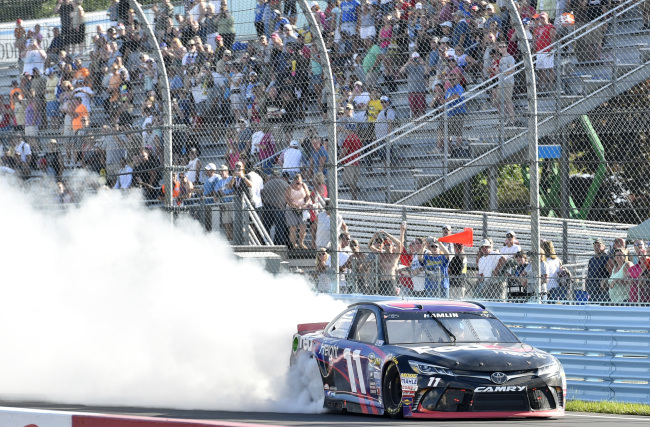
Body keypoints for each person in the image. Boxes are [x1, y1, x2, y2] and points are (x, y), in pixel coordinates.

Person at [367, 224, 406, 296]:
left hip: (391, 281)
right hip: (381, 281)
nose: (386, 246)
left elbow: (399, 243)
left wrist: (387, 234)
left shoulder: (395, 256)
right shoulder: (381, 254)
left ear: (392, 246)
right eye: (385, 245)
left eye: (388, 244)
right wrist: (374, 237)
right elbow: (369, 245)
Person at [260, 169, 289, 246]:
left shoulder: (267, 184)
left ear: (272, 176)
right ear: (278, 176)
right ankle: (279, 243)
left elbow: (262, 194)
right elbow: (289, 193)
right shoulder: (284, 183)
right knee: (279, 227)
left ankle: (265, 242)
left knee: (266, 226)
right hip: (279, 207)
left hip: (268, 206)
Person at [284, 173, 311, 249]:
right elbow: (287, 199)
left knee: (303, 226)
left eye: (300, 183)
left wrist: (305, 205)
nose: (299, 184)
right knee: (293, 227)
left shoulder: (303, 186)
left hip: (302, 207)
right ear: (294, 181)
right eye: (297, 183)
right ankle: (294, 244)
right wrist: (295, 206)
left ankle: (301, 242)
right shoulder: (290, 187)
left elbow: (308, 196)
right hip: (291, 208)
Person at [399, 52, 428, 118]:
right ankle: (416, 122)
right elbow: (401, 71)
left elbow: (427, 72)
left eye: (416, 58)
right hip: (411, 91)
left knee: (421, 109)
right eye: (414, 59)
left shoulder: (422, 66)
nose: (415, 60)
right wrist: (408, 62)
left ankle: (422, 121)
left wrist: (423, 63)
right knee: (414, 110)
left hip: (421, 90)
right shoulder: (409, 66)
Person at [587, 238, 611, 302]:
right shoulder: (591, 260)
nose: (597, 247)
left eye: (599, 245)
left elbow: (611, 273)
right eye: (595, 246)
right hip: (592, 288)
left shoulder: (607, 258)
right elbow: (588, 273)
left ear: (604, 246)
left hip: (602, 289)